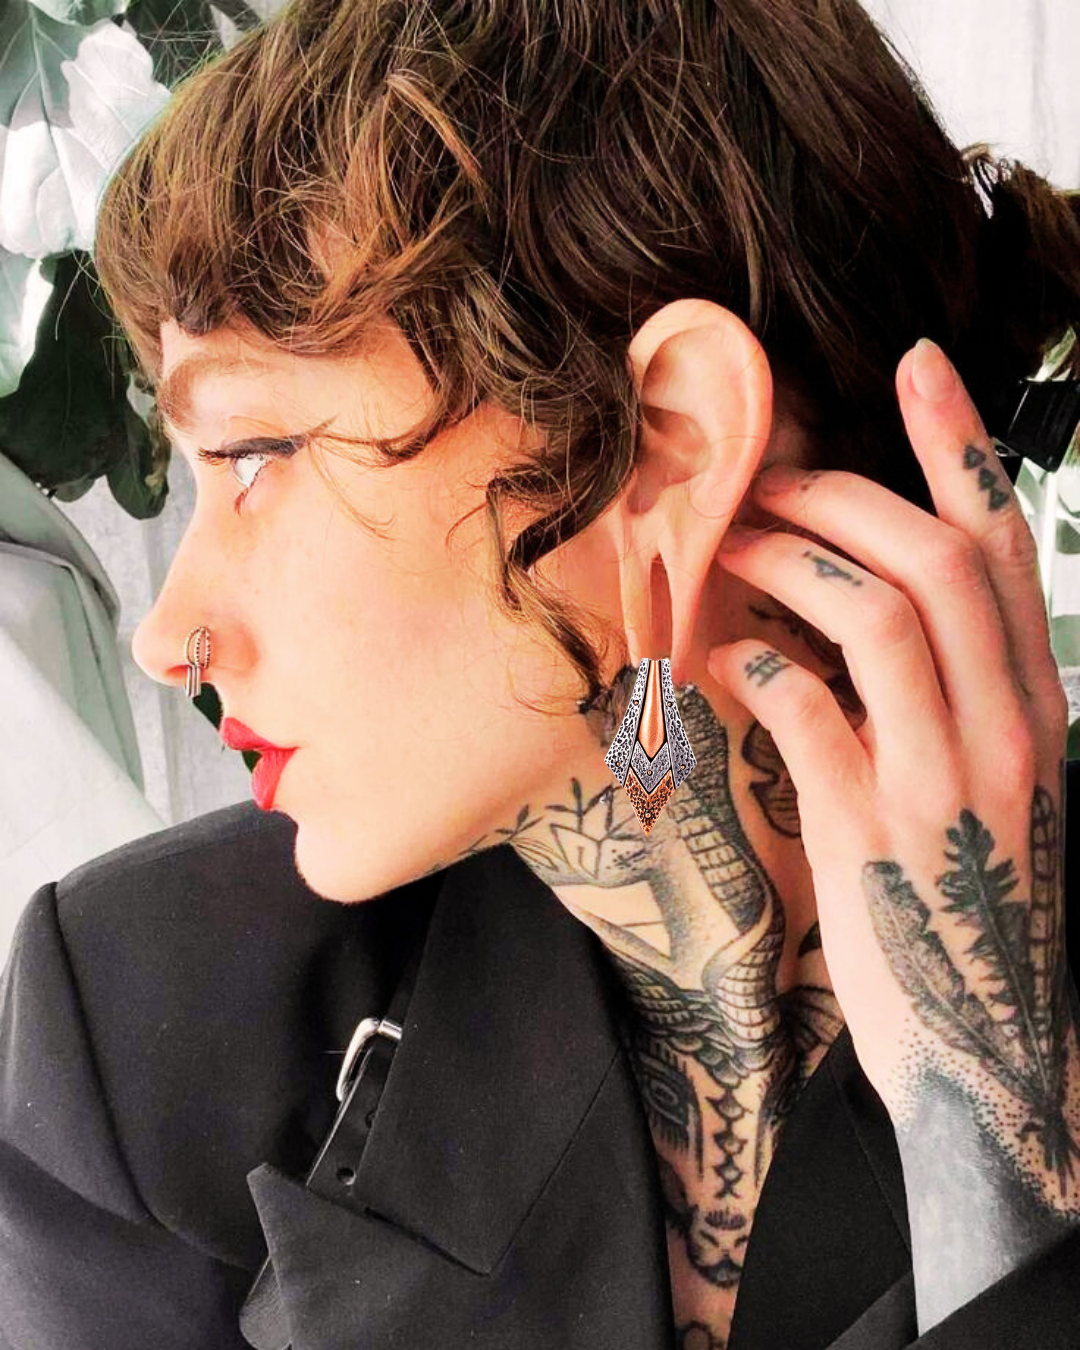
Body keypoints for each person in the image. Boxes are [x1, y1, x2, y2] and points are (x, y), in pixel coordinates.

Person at [3, 0, 1080, 1346]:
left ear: (666, 444)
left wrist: (992, 1145)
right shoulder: (143, 1024)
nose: (167, 637)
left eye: (254, 457)